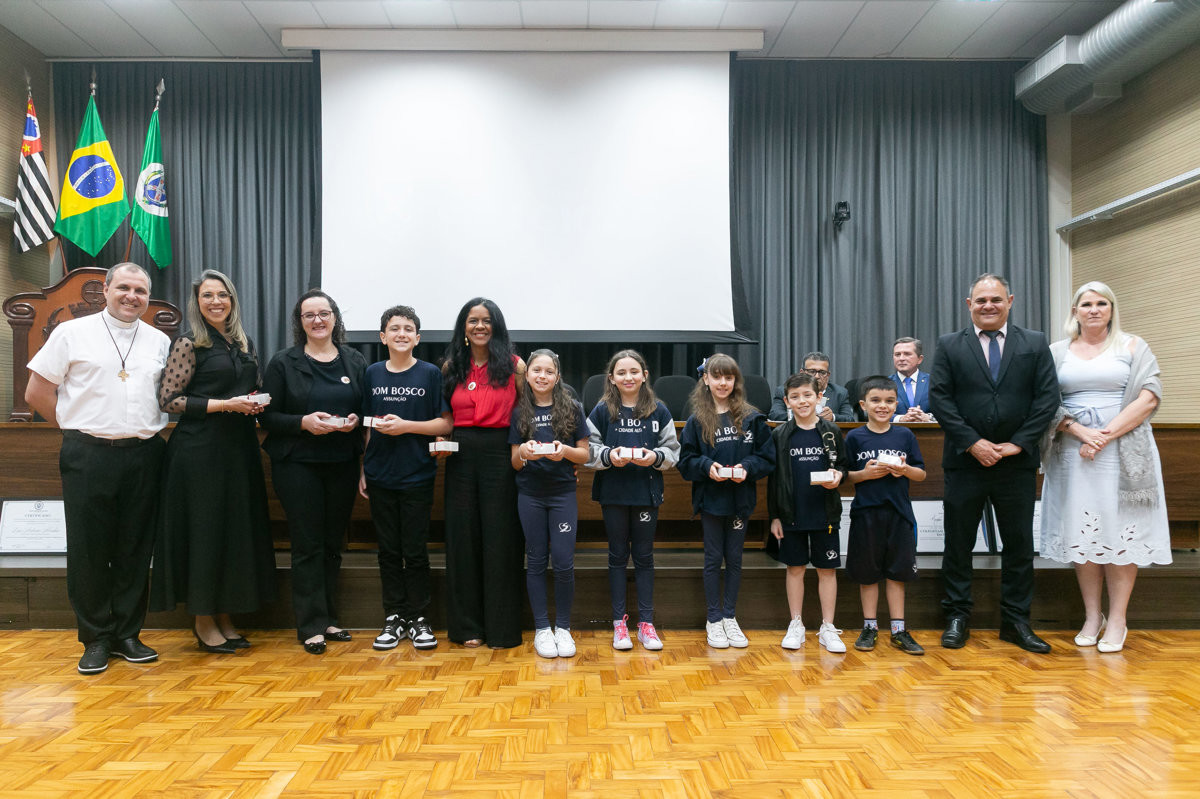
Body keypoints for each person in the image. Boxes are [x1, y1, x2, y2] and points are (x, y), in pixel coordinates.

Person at [25, 263, 170, 674]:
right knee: (90, 549)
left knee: (135, 548)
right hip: (87, 454)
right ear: (105, 290)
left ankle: (127, 633)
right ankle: (95, 638)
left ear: (148, 296)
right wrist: (77, 428)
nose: (132, 296)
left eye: (140, 290)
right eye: (123, 287)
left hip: (144, 454)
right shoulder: (71, 333)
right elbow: (36, 391)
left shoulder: (159, 340)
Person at [929, 273, 1059, 654]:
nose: (989, 305)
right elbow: (941, 399)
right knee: (958, 543)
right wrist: (973, 443)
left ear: (1010, 300)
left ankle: (1016, 622)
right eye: (981, 300)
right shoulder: (950, 345)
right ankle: (956, 617)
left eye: (996, 299)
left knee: (1019, 545)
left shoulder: (1034, 343)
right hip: (965, 462)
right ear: (969, 304)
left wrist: (1018, 444)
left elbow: (1046, 398)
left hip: (1015, 464)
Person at [1038, 281, 1171, 653]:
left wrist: (1104, 436)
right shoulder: (1056, 351)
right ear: (1075, 312)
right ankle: (1092, 615)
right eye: (1086, 304)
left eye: (1101, 303)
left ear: (1111, 309)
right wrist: (1080, 432)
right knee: (1085, 533)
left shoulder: (1132, 345)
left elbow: (1149, 396)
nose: (1094, 309)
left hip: (1123, 452)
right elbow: (1045, 400)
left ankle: (1118, 620)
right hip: (1073, 453)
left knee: (1121, 534)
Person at [151, 269, 276, 654]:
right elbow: (169, 400)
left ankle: (224, 615)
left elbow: (243, 389)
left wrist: (253, 401)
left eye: (222, 295)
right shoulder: (189, 343)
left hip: (238, 450)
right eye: (208, 296)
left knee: (232, 533)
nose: (216, 301)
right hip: (198, 451)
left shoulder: (243, 342)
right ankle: (203, 620)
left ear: (232, 300)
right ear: (197, 302)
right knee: (205, 533)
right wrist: (227, 405)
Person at [260, 290, 367, 655]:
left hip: (342, 463)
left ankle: (329, 618)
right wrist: (303, 422)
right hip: (297, 464)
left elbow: (363, 411)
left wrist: (354, 420)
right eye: (309, 315)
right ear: (300, 322)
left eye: (324, 313)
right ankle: (310, 625)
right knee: (307, 544)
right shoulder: (283, 363)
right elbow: (266, 416)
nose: (317, 320)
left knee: (332, 543)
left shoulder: (355, 361)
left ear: (335, 318)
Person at [360, 305, 453, 652]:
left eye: (408, 328)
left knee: (414, 551)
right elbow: (368, 425)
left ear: (418, 337)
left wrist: (406, 427)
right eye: (394, 328)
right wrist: (363, 470)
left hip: (417, 474)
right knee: (388, 551)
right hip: (380, 474)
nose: (401, 333)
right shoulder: (371, 374)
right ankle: (393, 617)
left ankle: (418, 618)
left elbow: (445, 424)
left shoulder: (430, 374)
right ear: (382, 337)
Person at [439, 297, 526, 648]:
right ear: (463, 327)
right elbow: (445, 418)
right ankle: (467, 627)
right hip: (459, 455)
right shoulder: (450, 367)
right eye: (472, 320)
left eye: (486, 320)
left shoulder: (516, 367)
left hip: (500, 454)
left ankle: (502, 627)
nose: (479, 326)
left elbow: (528, 416)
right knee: (463, 539)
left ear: (497, 326)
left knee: (500, 538)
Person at [678, 353, 776, 649]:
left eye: (729, 377)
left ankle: (730, 617)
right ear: (705, 379)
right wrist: (708, 467)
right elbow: (686, 462)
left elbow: (766, 458)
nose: (723, 383)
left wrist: (746, 468)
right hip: (711, 500)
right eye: (717, 376)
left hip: (740, 500)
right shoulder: (697, 420)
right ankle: (713, 619)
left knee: (734, 559)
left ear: (736, 381)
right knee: (712, 559)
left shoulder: (752, 418)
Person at [586, 349, 680, 651]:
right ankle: (619, 624)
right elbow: (588, 449)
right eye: (621, 373)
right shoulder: (602, 410)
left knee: (644, 557)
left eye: (634, 372)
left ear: (644, 375)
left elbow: (672, 451)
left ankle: (646, 624)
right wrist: (608, 456)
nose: (628, 377)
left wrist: (655, 457)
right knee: (616, 556)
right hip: (613, 493)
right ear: (611, 378)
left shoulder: (659, 410)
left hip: (646, 493)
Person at [509, 349, 590, 658]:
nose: (541, 376)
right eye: (536, 370)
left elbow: (585, 455)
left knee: (564, 560)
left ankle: (564, 628)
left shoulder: (573, 408)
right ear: (527, 375)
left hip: (562, 495)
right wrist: (525, 452)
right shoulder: (519, 412)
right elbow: (514, 463)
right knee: (536, 559)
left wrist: (563, 451)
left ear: (558, 377)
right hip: (529, 494)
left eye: (548, 371)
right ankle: (543, 629)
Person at [845, 376, 927, 655]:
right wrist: (865, 474)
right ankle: (869, 627)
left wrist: (903, 470)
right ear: (863, 404)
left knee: (897, 573)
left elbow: (921, 473)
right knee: (868, 574)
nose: (883, 406)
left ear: (897, 404)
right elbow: (846, 477)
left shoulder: (905, 435)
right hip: (866, 514)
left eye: (889, 401)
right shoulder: (855, 437)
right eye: (876, 400)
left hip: (899, 514)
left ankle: (898, 630)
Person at [767, 372, 849, 652]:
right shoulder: (779, 435)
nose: (802, 401)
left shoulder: (831, 431)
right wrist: (775, 516)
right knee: (795, 568)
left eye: (807, 395)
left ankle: (828, 626)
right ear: (787, 401)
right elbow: (774, 478)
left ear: (818, 397)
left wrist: (839, 475)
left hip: (824, 513)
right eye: (795, 396)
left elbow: (844, 466)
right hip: (792, 513)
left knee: (827, 570)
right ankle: (796, 623)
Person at [768, 351, 855, 423]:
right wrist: (802, 415)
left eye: (822, 372)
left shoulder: (840, 393)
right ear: (802, 372)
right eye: (812, 371)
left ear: (828, 375)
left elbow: (850, 419)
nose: (817, 376)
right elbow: (774, 415)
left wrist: (832, 417)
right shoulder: (785, 391)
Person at [890, 337, 934, 422]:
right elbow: (875, 413)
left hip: (931, 433)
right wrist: (901, 418)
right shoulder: (884, 384)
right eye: (897, 354)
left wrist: (928, 417)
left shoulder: (934, 381)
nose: (901, 358)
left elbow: (948, 409)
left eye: (907, 354)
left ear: (919, 359)